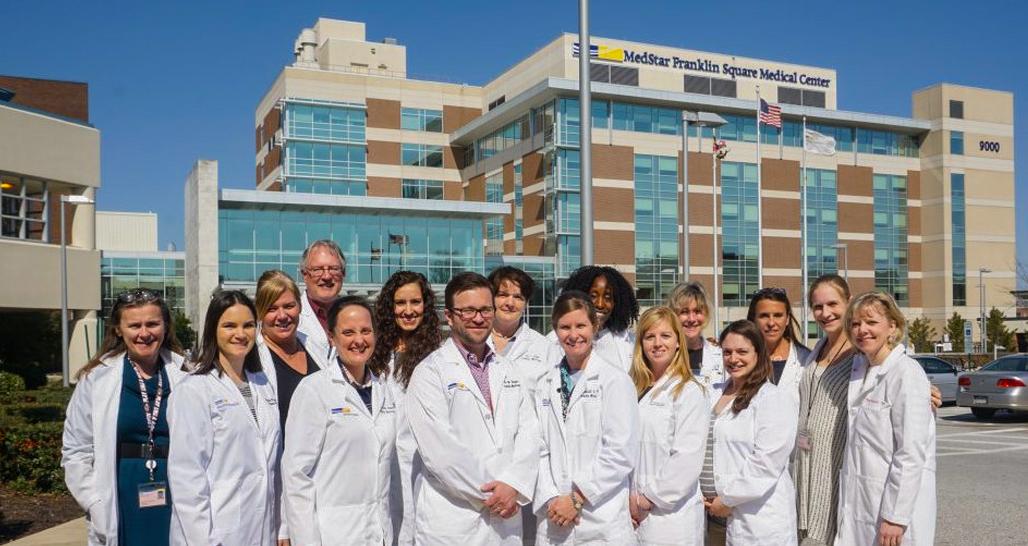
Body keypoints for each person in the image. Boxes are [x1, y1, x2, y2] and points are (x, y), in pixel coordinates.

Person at [405, 272, 540, 545]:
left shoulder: (509, 369)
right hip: (455, 520)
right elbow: (440, 453)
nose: (478, 318)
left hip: (505, 517)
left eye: (484, 309)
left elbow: (530, 432)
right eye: (468, 311)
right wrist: (494, 496)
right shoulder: (430, 373)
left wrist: (515, 485)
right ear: (449, 316)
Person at [62, 289, 188, 546]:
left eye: (153, 323)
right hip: (119, 492)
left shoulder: (187, 373)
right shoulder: (96, 378)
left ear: (165, 326)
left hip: (177, 490)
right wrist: (94, 503)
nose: (145, 333)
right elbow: (76, 450)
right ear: (118, 329)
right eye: (134, 325)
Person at [167, 290, 286, 545]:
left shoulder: (263, 384)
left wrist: (281, 525)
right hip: (215, 530)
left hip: (261, 527)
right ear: (213, 330)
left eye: (248, 325)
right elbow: (187, 477)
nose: (240, 334)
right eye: (229, 325)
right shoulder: (194, 390)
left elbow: (272, 465)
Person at [282, 296, 396, 545]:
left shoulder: (384, 390)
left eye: (366, 331)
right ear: (332, 338)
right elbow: (296, 475)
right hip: (333, 534)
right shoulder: (314, 390)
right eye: (348, 332)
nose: (359, 340)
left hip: (380, 532)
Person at [534, 291, 640, 545]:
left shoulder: (614, 381)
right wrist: (553, 499)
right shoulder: (544, 384)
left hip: (601, 519)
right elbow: (538, 448)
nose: (573, 335)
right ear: (555, 330)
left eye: (581, 325)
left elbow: (620, 451)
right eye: (564, 327)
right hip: (555, 516)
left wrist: (577, 498)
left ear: (595, 326)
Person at [836, 291, 936, 546]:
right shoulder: (860, 370)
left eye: (871, 322)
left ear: (892, 326)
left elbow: (911, 453)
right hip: (862, 500)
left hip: (894, 512)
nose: (862, 330)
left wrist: (895, 516)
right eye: (855, 324)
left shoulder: (906, 374)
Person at [703, 320, 798, 546]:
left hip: (756, 519)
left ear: (758, 352)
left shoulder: (773, 398)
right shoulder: (715, 392)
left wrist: (726, 499)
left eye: (742, 351)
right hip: (714, 519)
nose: (733, 359)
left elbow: (766, 462)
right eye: (727, 352)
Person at [372, 270, 443, 545]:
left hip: (422, 465)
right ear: (390, 307)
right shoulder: (373, 351)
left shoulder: (438, 354)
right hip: (381, 462)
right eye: (401, 303)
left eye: (415, 302)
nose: (409, 310)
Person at [628, 306, 709, 546]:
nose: (657, 343)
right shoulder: (630, 387)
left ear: (678, 342)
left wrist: (647, 499)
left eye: (665, 336)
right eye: (649, 336)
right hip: (629, 511)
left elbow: (687, 457)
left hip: (669, 516)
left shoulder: (689, 391)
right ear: (641, 343)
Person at [793, 274, 857, 546]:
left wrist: (926, 391)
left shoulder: (860, 350)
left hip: (831, 463)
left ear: (848, 302)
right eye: (818, 307)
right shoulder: (816, 350)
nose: (825, 313)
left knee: (822, 536)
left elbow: (891, 378)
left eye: (833, 304)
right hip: (804, 462)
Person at [254, 269, 329, 434]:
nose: (282, 316)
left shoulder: (316, 346)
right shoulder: (252, 358)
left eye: (289, 306)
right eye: (272, 308)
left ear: (300, 306)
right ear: (260, 312)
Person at [549, 265, 640, 372]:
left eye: (607, 297)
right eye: (593, 296)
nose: (600, 304)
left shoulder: (631, 342)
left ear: (616, 302)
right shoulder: (551, 343)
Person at [746, 287, 810, 404]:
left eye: (778, 315)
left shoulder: (807, 360)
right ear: (753, 320)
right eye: (764, 316)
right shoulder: (741, 359)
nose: (771, 323)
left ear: (787, 319)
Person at [487, 266, 548, 383]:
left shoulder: (545, 347)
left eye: (518, 297)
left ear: (526, 304)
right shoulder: (474, 342)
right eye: (503, 295)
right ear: (490, 299)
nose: (510, 303)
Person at [297, 239, 346, 363]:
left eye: (334, 269)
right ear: (304, 274)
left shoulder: (355, 315)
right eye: (317, 269)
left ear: (343, 273)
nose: (326, 276)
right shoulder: (291, 317)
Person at [666, 281, 724, 386]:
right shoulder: (662, 356)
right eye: (684, 312)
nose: (691, 319)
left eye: (697, 311)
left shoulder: (721, 356)